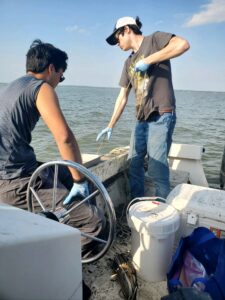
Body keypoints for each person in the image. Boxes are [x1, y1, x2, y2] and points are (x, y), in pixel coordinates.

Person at [0, 39, 104, 257]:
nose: (59, 81)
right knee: (94, 222)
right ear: (51, 69)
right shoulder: (42, 87)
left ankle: (75, 214)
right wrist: (79, 180)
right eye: (61, 76)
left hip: (11, 171)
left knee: (75, 175)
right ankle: (69, 270)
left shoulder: (13, 86)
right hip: (14, 182)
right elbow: (65, 137)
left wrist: (78, 178)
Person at [97, 16, 190, 199]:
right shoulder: (128, 63)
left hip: (161, 115)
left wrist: (149, 60)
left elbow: (183, 45)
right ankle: (136, 204)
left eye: (117, 38)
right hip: (141, 119)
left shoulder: (154, 40)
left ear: (127, 30)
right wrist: (110, 125)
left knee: (156, 168)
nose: (117, 44)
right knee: (134, 163)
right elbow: (122, 96)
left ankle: (163, 210)